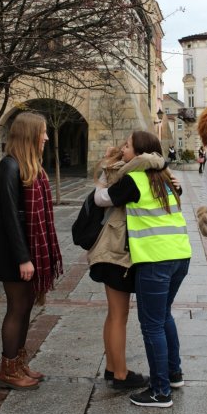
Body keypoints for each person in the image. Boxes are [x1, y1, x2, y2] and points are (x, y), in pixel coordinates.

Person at [94, 131, 192, 408]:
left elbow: (101, 199)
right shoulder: (164, 177)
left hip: (154, 259)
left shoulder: (133, 179)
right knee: (163, 317)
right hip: (180, 255)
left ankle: (160, 391)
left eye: (127, 146)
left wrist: (104, 169)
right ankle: (174, 374)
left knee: (151, 326)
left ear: (138, 154)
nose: (123, 149)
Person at [0, 112, 63, 389]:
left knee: (26, 306)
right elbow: (9, 217)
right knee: (17, 308)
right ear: (29, 134)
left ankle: (18, 363)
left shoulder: (31, 167)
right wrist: (23, 258)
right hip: (13, 254)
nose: (46, 137)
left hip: (27, 251)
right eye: (42, 132)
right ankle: (8, 370)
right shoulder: (9, 166)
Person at [88, 146, 165, 389]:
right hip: (117, 253)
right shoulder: (129, 176)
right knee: (119, 315)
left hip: (112, 251)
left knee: (115, 314)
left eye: (128, 145)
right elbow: (100, 198)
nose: (123, 148)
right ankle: (120, 374)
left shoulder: (116, 171)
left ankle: (113, 368)